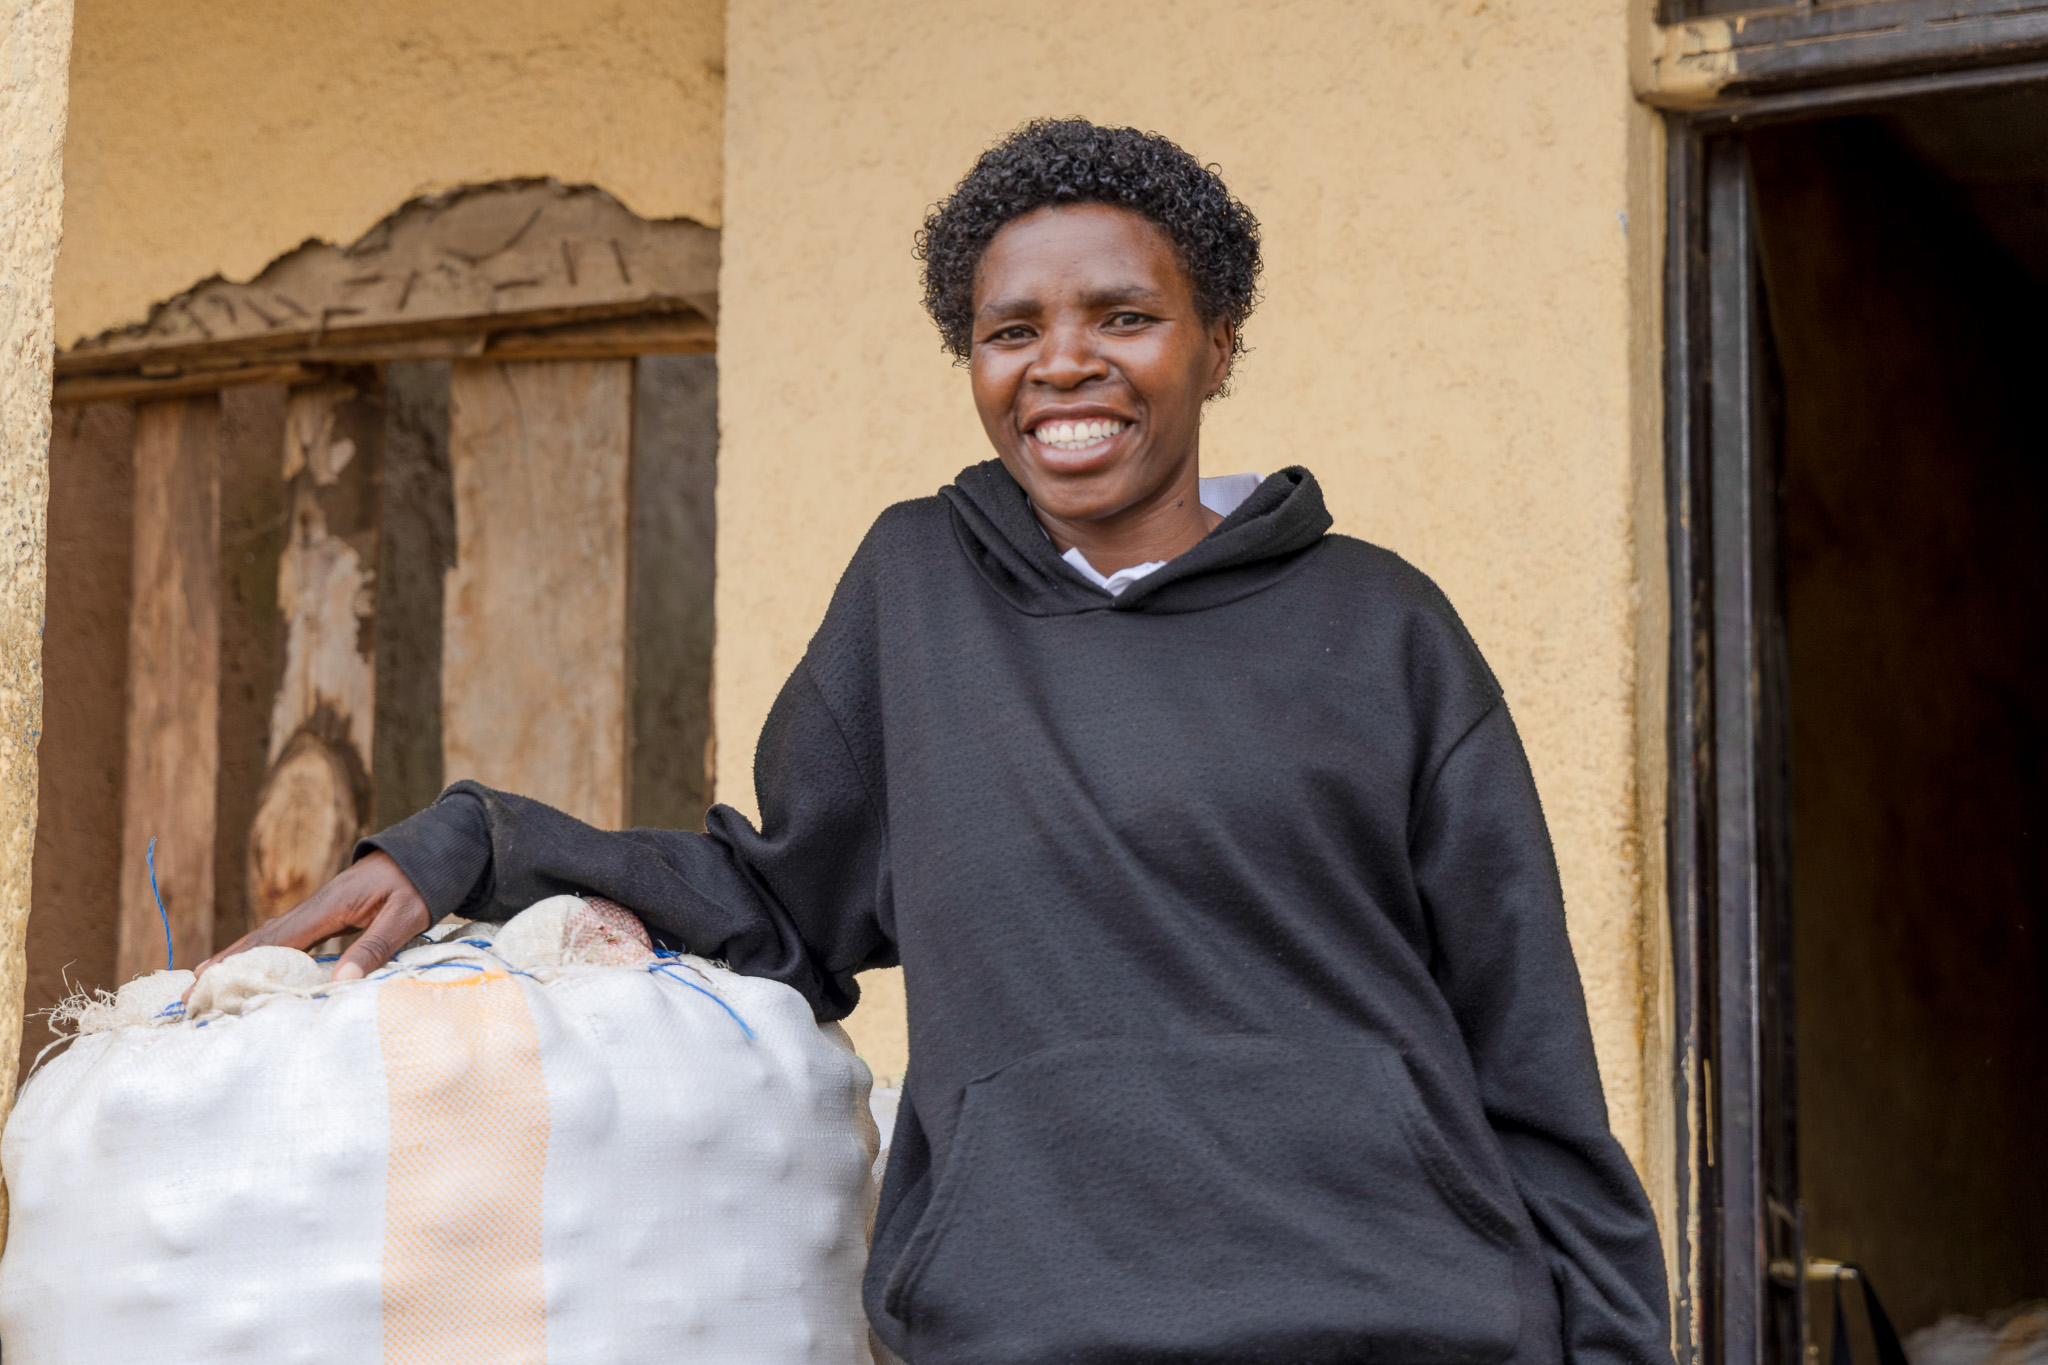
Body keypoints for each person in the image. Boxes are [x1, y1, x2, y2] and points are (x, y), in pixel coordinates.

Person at [197, 118, 1672, 1365]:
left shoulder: (1382, 625)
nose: (1064, 366)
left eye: (1126, 319)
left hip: (1397, 1319)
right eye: (1010, 330)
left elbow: (1530, 1052)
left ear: (1219, 342)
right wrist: (478, 843)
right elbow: (786, 903)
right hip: (1027, 1323)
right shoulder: (915, 591)